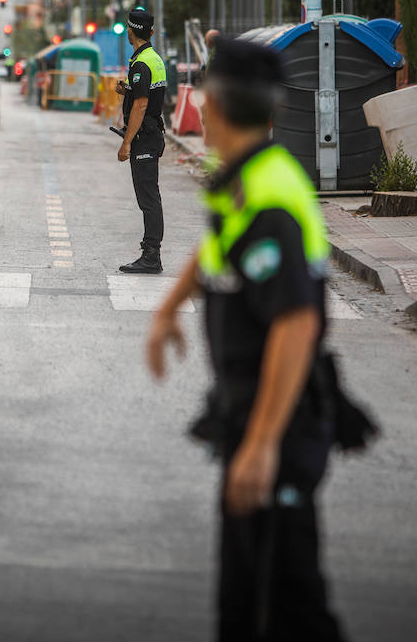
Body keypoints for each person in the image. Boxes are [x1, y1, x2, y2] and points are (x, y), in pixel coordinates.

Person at [145, 38, 375, 641]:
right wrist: (167, 309)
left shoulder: (269, 193)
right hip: (248, 412)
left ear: (212, 106)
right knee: (244, 601)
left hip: (283, 422)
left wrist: (263, 444)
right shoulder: (245, 179)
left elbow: (296, 322)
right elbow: (220, 247)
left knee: (294, 606)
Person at [115, 7, 167, 274]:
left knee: (148, 199)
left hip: (145, 139)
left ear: (130, 31)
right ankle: (151, 253)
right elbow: (142, 93)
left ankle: (151, 256)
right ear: (152, 32)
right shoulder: (152, 58)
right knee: (149, 197)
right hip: (151, 134)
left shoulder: (142, 63)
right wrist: (127, 89)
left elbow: (142, 105)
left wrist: (126, 142)